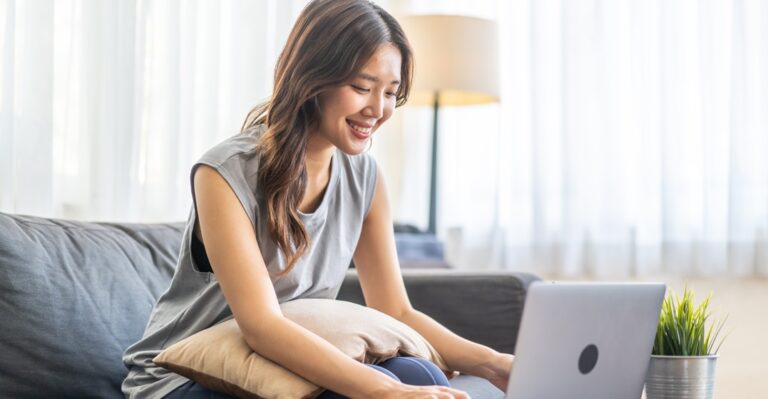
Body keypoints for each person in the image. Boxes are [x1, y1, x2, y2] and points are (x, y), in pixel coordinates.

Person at [121, 1, 514, 398]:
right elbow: (261, 326)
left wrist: (493, 363)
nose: (377, 110)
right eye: (361, 88)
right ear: (313, 79)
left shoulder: (366, 178)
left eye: (391, 92)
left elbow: (395, 311)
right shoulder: (224, 172)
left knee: (417, 374)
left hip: (284, 366)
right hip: (184, 378)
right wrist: (381, 391)